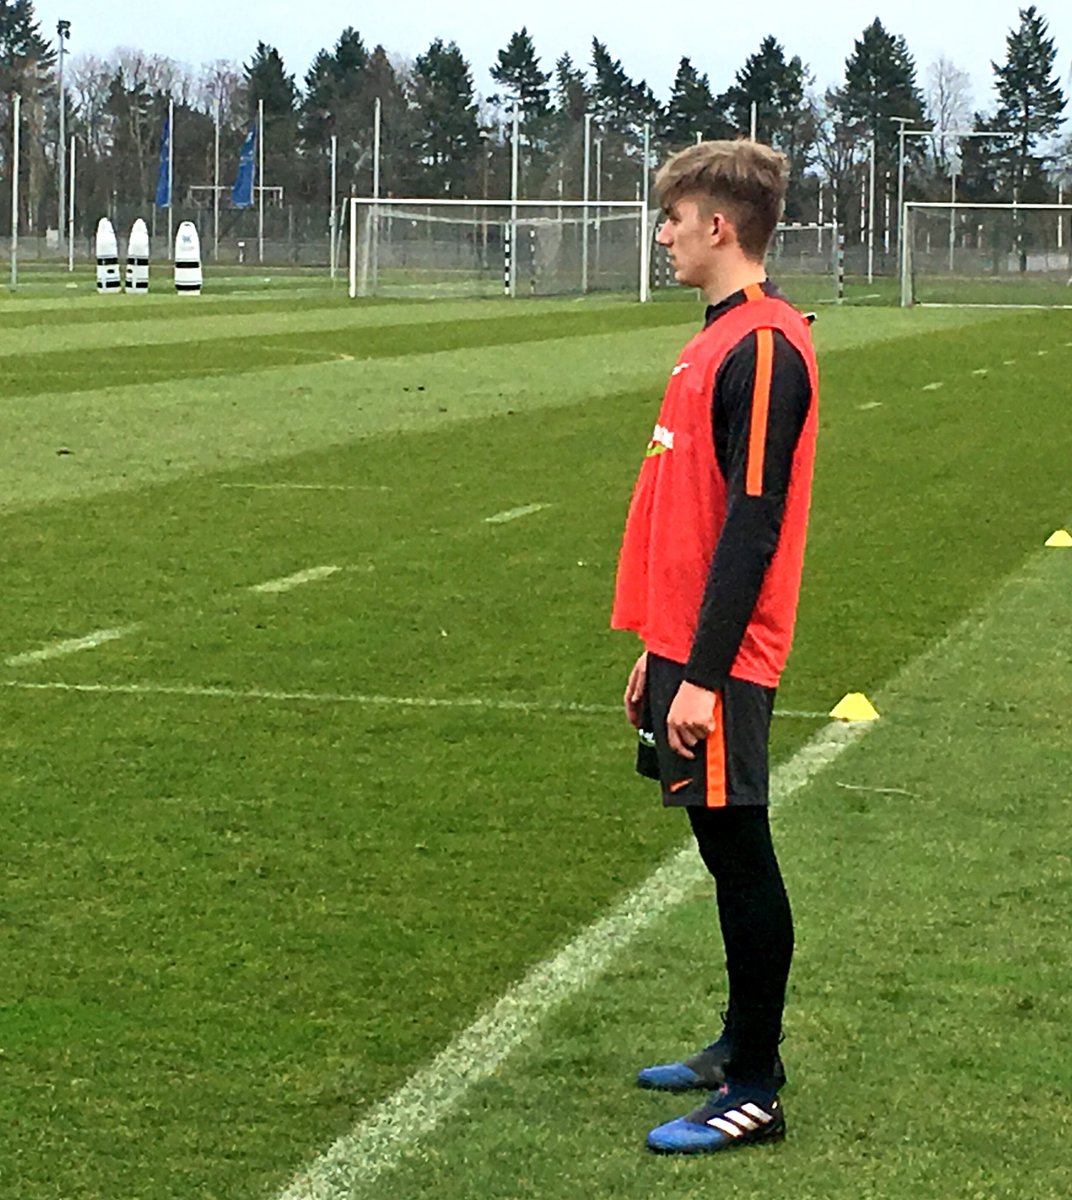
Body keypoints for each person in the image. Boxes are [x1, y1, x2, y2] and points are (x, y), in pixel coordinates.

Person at [611, 140, 820, 1155]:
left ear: (719, 226)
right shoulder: (713, 340)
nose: (664, 236)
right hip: (690, 650)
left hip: (726, 659)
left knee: (740, 854)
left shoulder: (768, 345)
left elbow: (752, 521)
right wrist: (660, 649)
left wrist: (702, 671)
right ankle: (736, 1038)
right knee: (715, 844)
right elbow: (686, 516)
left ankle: (756, 1085)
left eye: (674, 219)